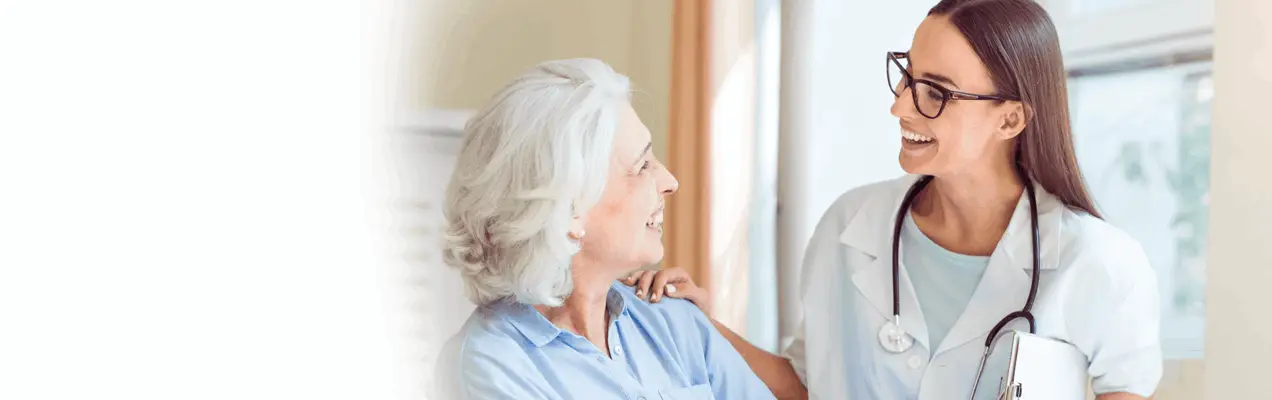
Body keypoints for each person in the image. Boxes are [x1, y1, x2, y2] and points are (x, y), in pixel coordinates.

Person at [626, 1, 1162, 399]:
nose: (901, 107)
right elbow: (806, 387)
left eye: (936, 92)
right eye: (907, 77)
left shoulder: (1098, 261)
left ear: (1010, 119)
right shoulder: (850, 226)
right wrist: (705, 327)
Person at [433, 58, 775, 400]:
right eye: (642, 166)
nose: (670, 181)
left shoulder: (674, 320)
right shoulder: (492, 367)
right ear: (570, 210)